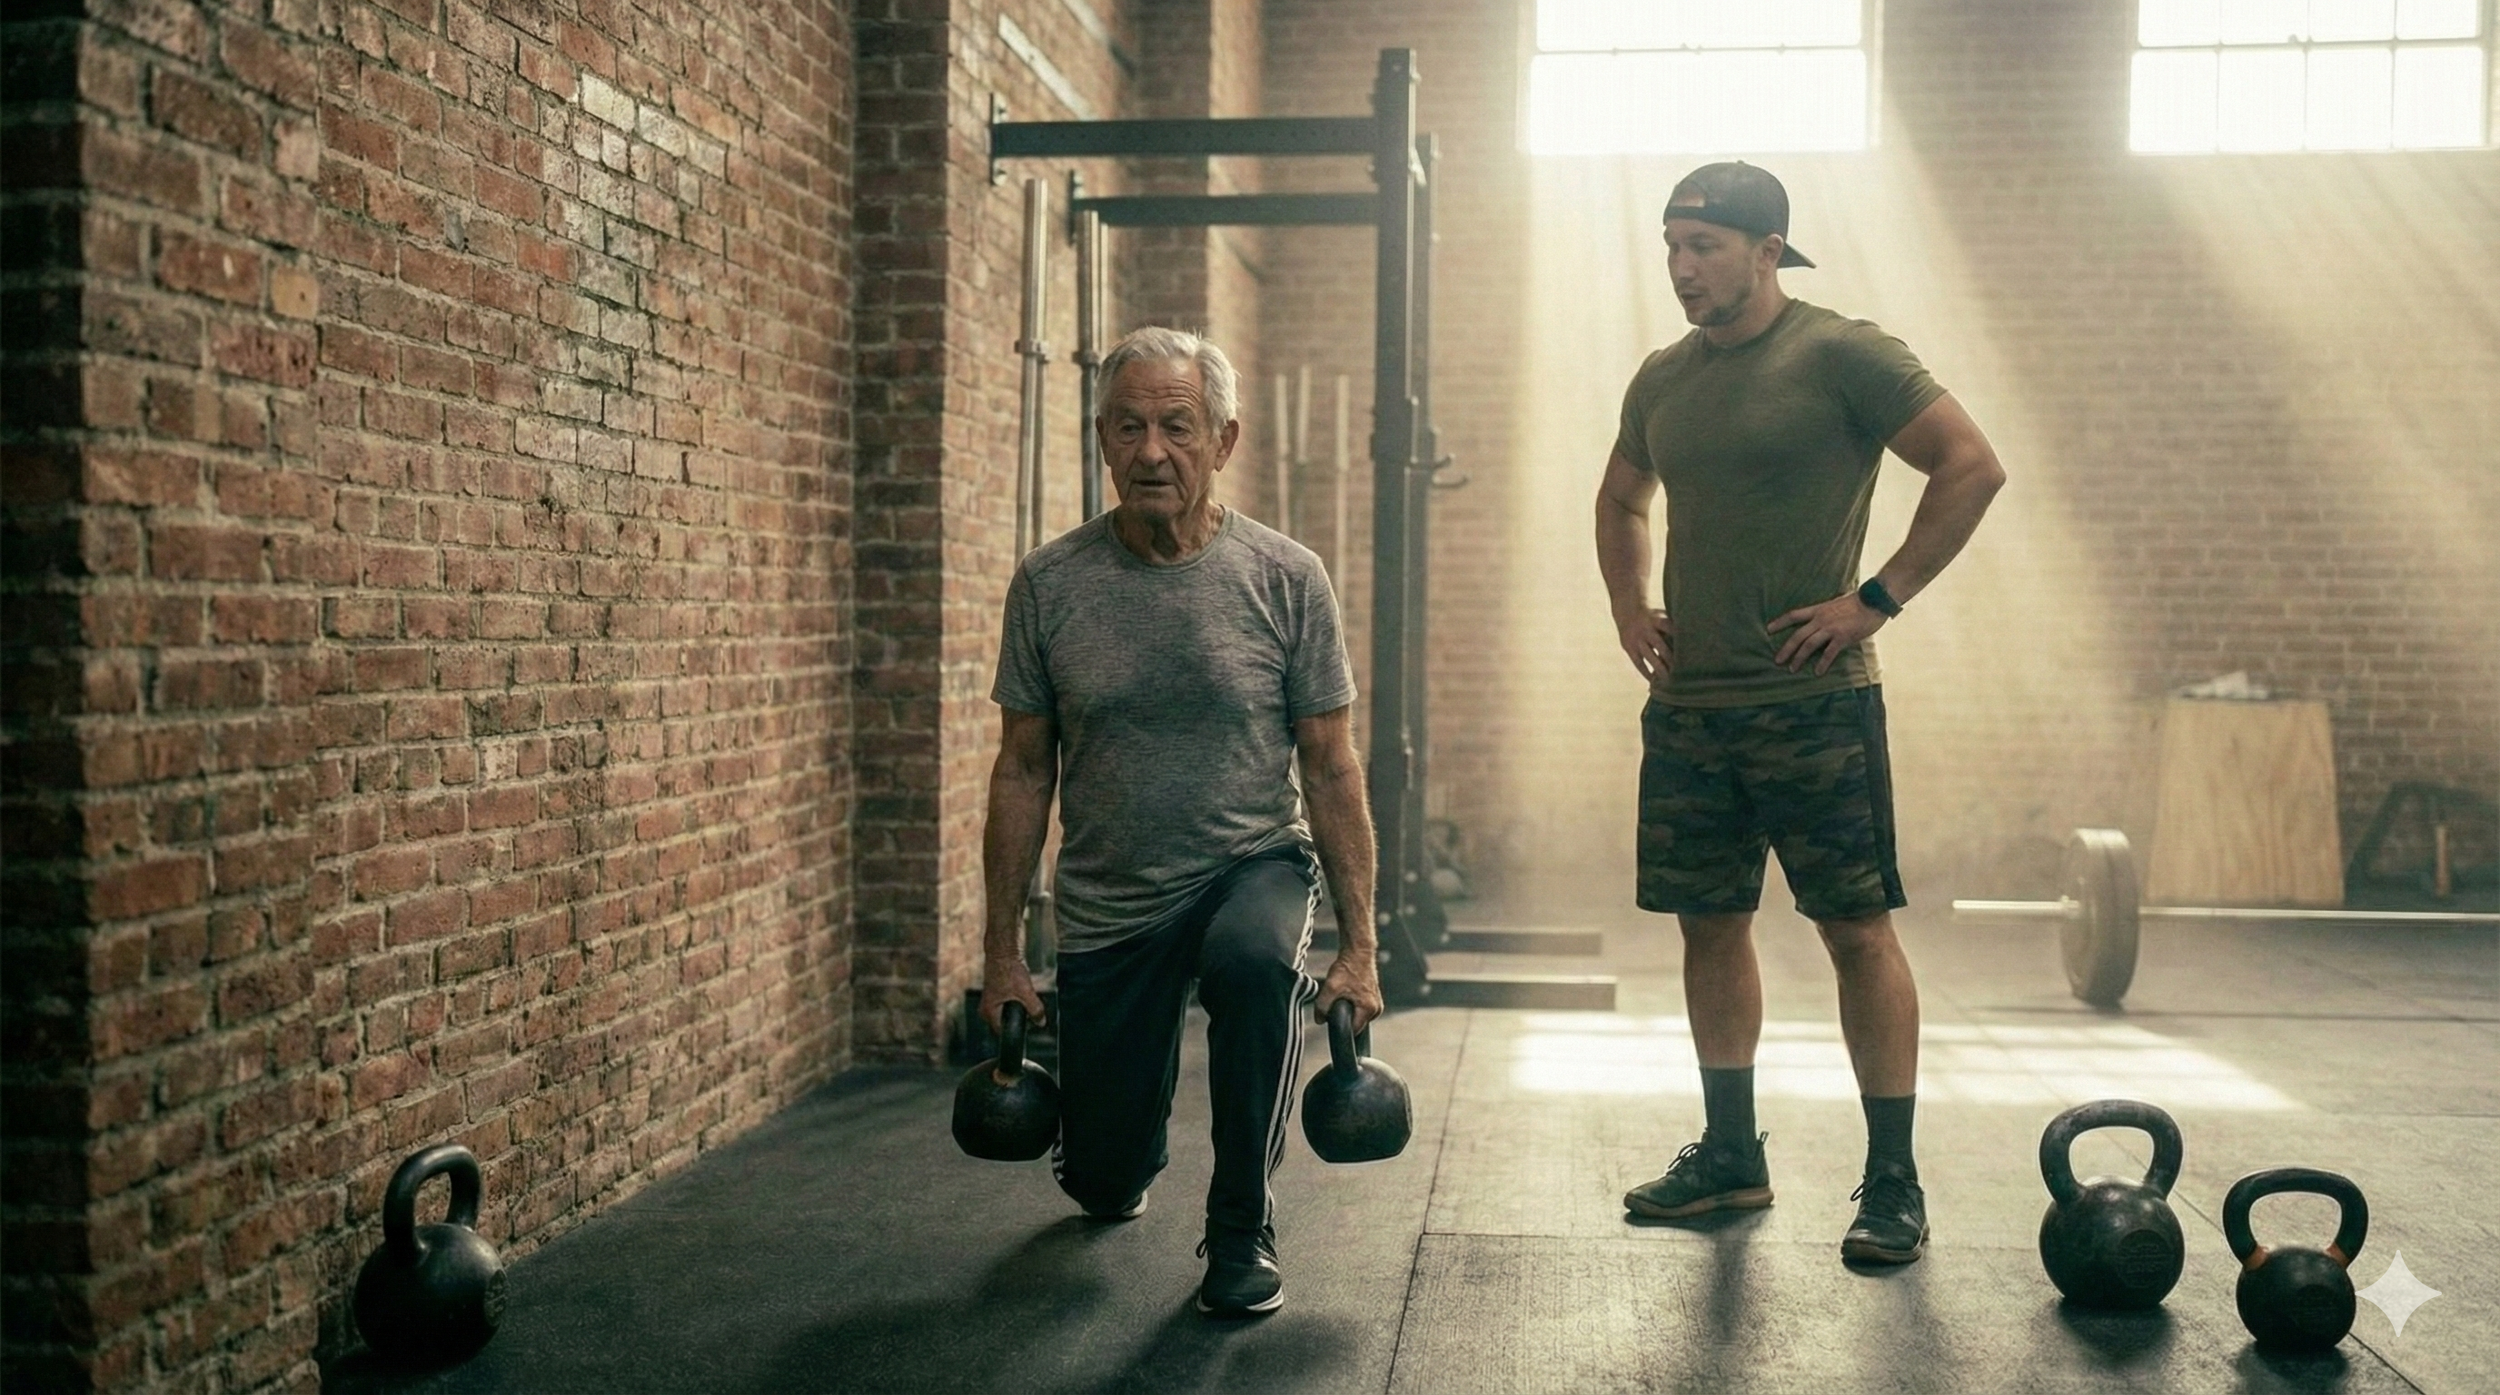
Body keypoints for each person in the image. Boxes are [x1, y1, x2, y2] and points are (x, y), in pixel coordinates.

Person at [1593, 162, 2006, 1265]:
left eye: (1704, 247)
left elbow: (1970, 465)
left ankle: (1893, 1181)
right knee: (1708, 922)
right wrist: (1630, 605)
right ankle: (1732, 1157)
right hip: (1692, 711)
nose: (1681, 268)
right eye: (1671, 246)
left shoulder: (1843, 354)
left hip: (1814, 704)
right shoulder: (1663, 378)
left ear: (1767, 251)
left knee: (1855, 930)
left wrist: (1875, 599)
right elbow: (1621, 495)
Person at [980, 326, 1385, 1316]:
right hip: (1112, 892)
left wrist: (1362, 945)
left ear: (1224, 439)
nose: (1151, 451)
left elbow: (1330, 765)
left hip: (1249, 860)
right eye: (1127, 428)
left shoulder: (1286, 577)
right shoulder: (1049, 583)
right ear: (1101, 439)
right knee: (1103, 1177)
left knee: (1254, 965)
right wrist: (1001, 951)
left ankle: (1242, 1226)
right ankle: (1121, 1154)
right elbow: (1024, 768)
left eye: (1177, 426)